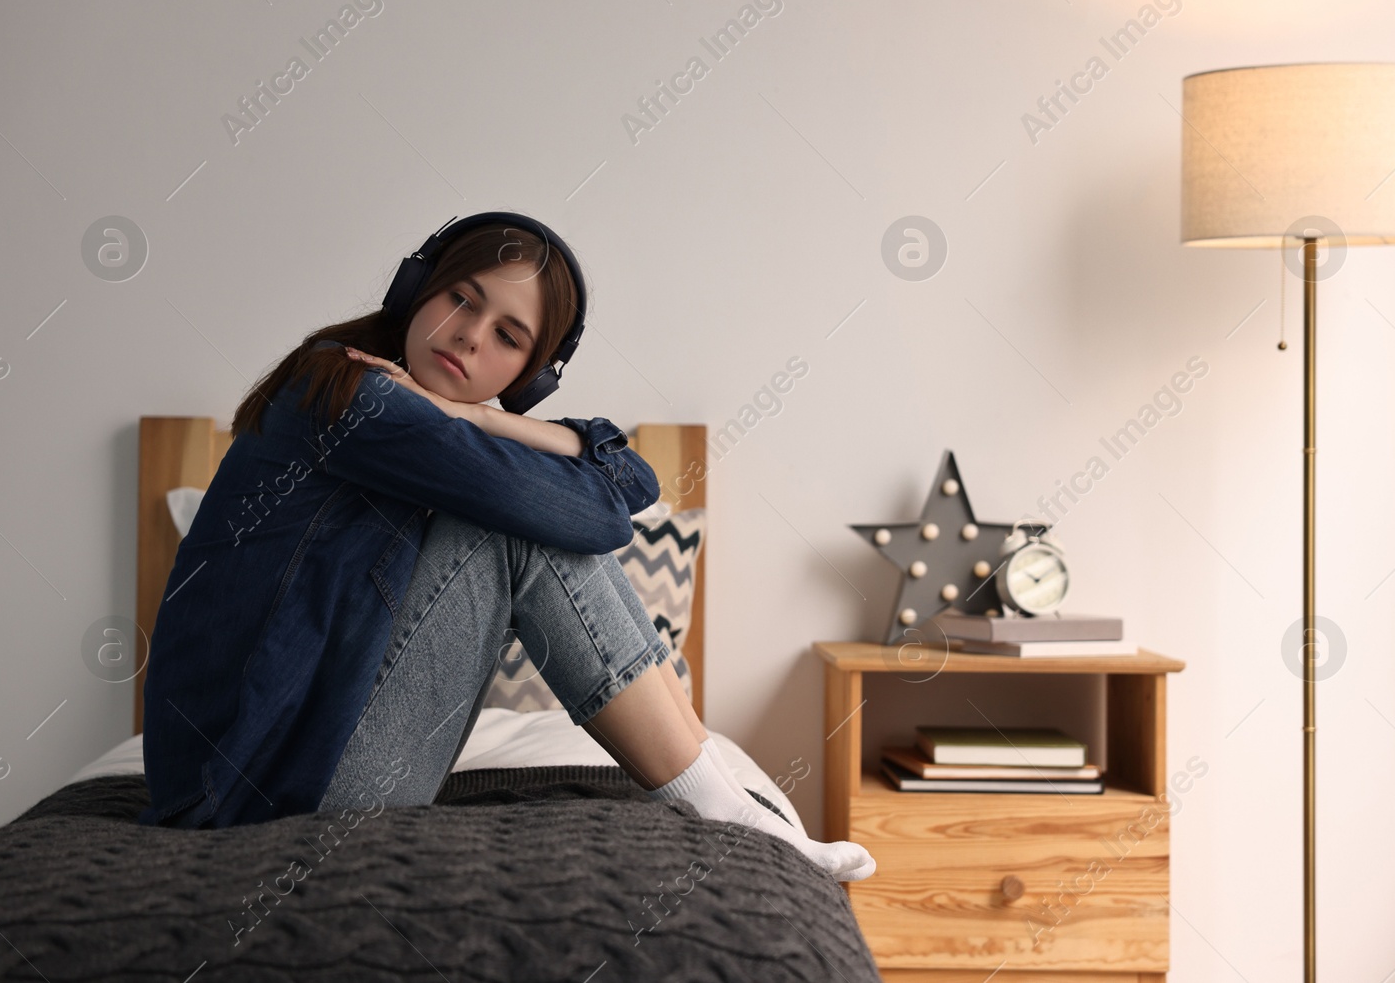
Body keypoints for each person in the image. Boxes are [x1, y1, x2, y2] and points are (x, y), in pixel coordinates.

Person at [137, 214, 875, 882]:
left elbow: (637, 480)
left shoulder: (407, 404)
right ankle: (723, 805)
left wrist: (486, 422)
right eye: (461, 297)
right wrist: (476, 422)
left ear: (529, 381)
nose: (469, 334)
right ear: (418, 287)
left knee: (524, 515)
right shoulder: (350, 391)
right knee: (514, 525)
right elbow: (603, 518)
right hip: (252, 800)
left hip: (283, 776)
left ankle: (721, 794)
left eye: (508, 336)